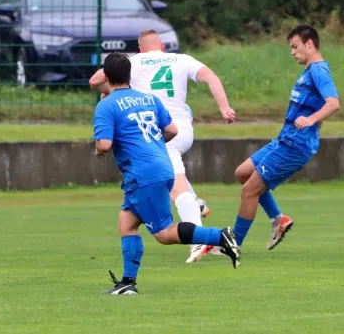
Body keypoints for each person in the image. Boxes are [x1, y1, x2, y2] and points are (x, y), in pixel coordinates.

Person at [93, 52, 240, 295]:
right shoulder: (149, 99)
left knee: (163, 233)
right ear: (130, 75)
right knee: (127, 223)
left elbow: (105, 144)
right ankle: (128, 282)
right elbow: (171, 130)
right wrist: (152, 146)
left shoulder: (106, 105)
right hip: (162, 165)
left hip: (142, 174)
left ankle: (219, 236)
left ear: (106, 77)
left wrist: (98, 150)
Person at [229, 25, 340, 252]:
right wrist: (315, 122)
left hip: (294, 145)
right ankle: (277, 219)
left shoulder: (319, 70)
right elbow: (319, 105)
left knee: (249, 191)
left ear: (309, 44)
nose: (292, 52)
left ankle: (233, 245)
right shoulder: (309, 71)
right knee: (242, 173)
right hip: (284, 139)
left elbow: (333, 103)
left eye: (295, 46)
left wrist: (310, 121)